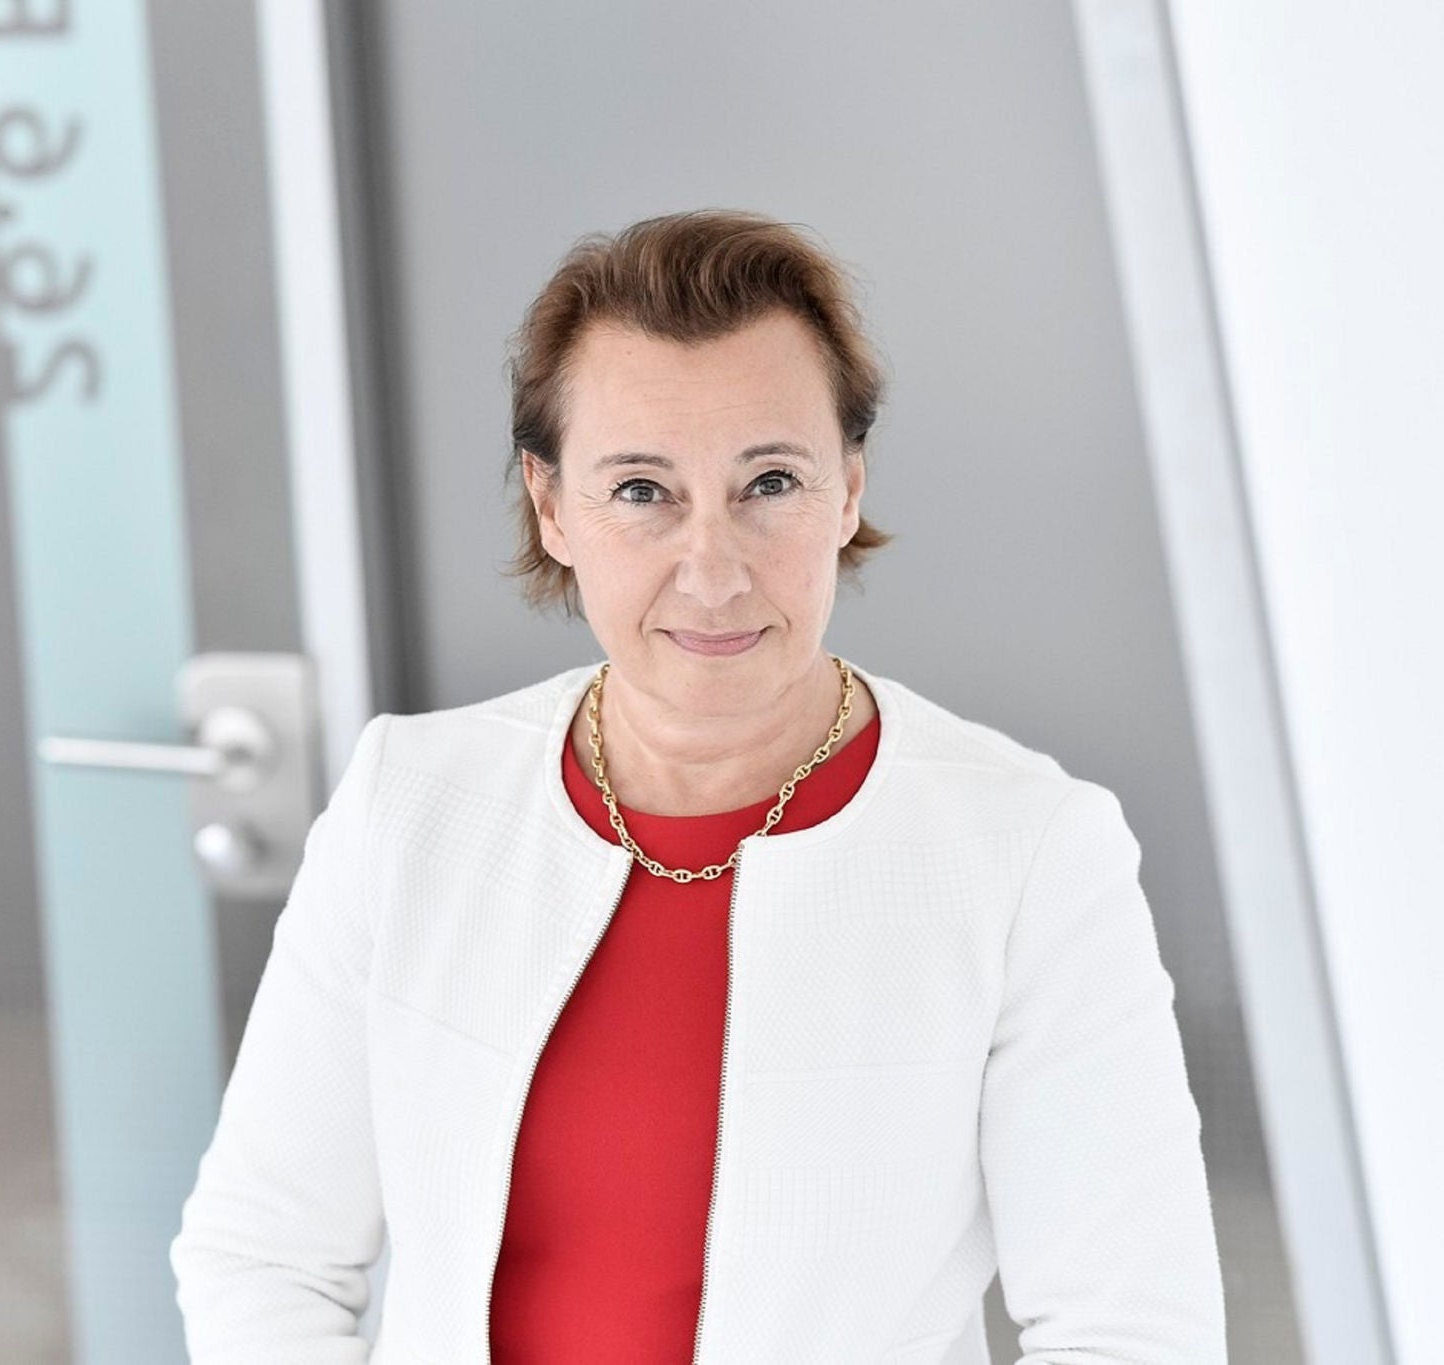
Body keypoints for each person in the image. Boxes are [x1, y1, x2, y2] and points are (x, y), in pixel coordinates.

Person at [169, 208, 1226, 1363]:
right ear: (551, 506)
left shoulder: (1025, 852)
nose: (712, 571)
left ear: (847, 490)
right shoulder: (409, 804)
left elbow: (1128, 1327)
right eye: (640, 490)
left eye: (768, 481)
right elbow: (262, 1253)